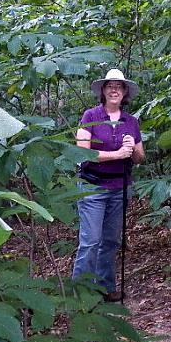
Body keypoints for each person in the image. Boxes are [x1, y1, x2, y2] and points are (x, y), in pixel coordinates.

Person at [72, 69, 145, 301]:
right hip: (92, 187)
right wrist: (118, 154)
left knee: (111, 241)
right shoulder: (90, 116)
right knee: (91, 241)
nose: (114, 90)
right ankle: (80, 293)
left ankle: (105, 288)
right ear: (103, 91)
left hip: (119, 187)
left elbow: (140, 158)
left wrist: (132, 148)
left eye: (119, 86)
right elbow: (82, 152)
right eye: (110, 86)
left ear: (125, 93)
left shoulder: (131, 121)